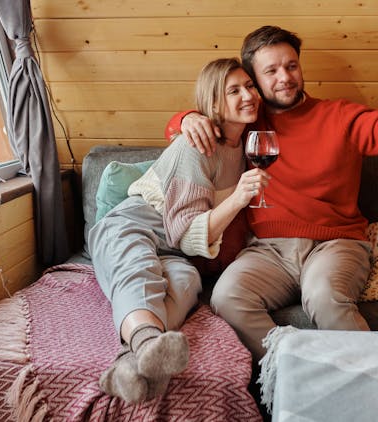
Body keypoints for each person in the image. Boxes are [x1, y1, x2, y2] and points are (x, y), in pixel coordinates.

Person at [165, 26, 378, 362]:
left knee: (324, 296)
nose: (284, 77)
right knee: (226, 297)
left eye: (291, 66)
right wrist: (185, 119)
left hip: (336, 243)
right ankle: (292, 369)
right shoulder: (247, 120)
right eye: (270, 71)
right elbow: (197, 127)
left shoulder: (339, 116)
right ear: (254, 80)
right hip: (269, 251)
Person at [88, 57, 268, 404]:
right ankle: (143, 346)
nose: (249, 94)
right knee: (137, 269)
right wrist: (239, 199)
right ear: (213, 104)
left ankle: (130, 361)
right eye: (234, 90)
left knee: (186, 286)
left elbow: (187, 241)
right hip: (135, 224)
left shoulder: (245, 145)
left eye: (249, 86)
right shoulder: (196, 145)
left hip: (175, 248)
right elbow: (188, 231)